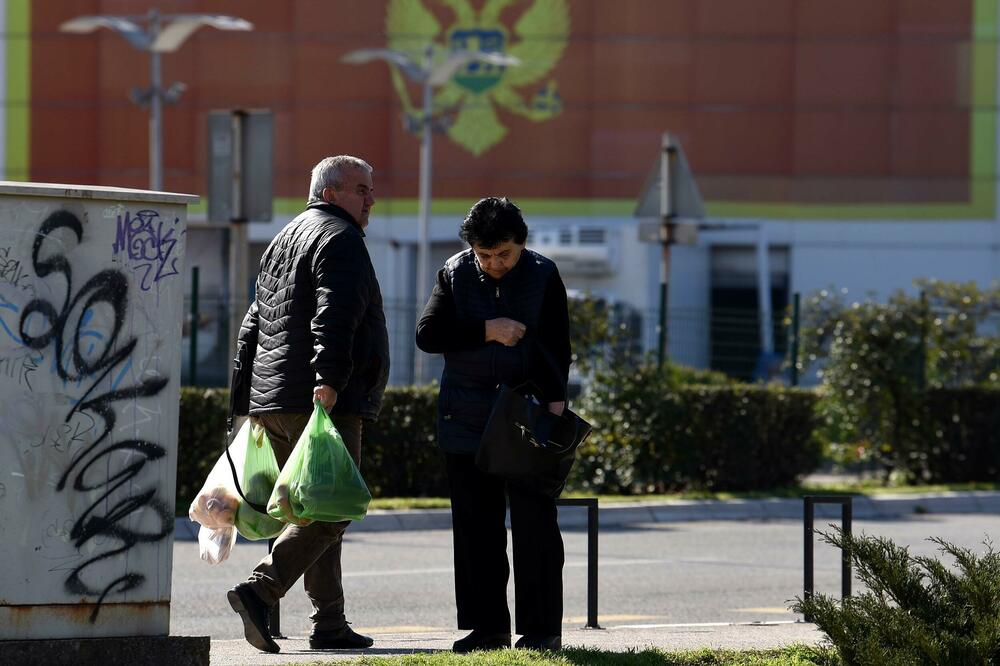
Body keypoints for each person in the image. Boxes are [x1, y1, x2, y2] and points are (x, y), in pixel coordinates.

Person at [227, 155, 390, 654]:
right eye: (361, 189)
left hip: (273, 399)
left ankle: (331, 623)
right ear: (331, 193)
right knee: (334, 505)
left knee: (314, 508)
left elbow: (253, 322)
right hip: (319, 401)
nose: (371, 199)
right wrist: (331, 381)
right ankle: (261, 589)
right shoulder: (339, 239)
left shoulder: (284, 238)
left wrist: (243, 402)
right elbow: (334, 314)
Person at [415, 196, 572, 652]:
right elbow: (428, 334)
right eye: (485, 255)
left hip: (527, 416)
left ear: (522, 243)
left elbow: (557, 346)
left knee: (535, 524)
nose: (494, 263)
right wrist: (488, 328)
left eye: (503, 253)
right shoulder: (454, 271)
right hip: (464, 418)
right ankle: (487, 627)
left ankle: (543, 630)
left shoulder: (543, 274)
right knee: (475, 527)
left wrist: (555, 407)